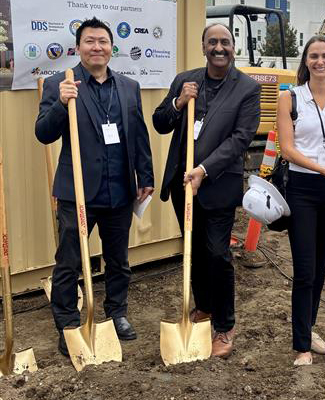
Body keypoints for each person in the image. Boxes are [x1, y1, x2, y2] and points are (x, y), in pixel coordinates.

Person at [35, 17, 154, 356]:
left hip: (119, 190)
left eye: (103, 41)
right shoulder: (62, 82)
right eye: (90, 41)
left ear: (111, 47)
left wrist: (144, 175)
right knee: (70, 260)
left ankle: (116, 313)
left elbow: (139, 134)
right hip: (78, 193)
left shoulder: (129, 87)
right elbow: (43, 133)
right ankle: (68, 323)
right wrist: (60, 104)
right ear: (78, 47)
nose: (97, 47)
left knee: (118, 260)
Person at [152, 23, 260, 358]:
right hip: (181, 184)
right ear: (203, 47)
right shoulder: (186, 80)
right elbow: (160, 122)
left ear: (233, 47)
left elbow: (240, 139)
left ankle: (225, 325)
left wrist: (203, 169)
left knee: (217, 252)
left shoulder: (247, 88)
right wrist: (178, 102)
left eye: (225, 42)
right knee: (194, 250)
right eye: (212, 42)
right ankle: (204, 308)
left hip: (216, 184)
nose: (218, 47)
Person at [277, 36, 325, 366]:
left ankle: (308, 328)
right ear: (305, 61)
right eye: (314, 56)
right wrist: (323, 169)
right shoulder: (290, 98)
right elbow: (287, 149)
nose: (320, 61)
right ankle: (301, 346)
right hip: (302, 188)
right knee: (305, 268)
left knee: (321, 266)